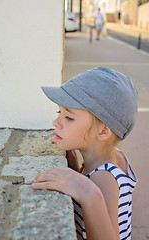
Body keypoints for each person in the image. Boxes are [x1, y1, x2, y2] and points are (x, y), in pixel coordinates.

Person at [31, 67, 138, 240]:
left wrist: (90, 195)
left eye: (69, 117)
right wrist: (73, 166)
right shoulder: (114, 156)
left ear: (103, 131)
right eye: (60, 112)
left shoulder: (103, 177)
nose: (55, 122)